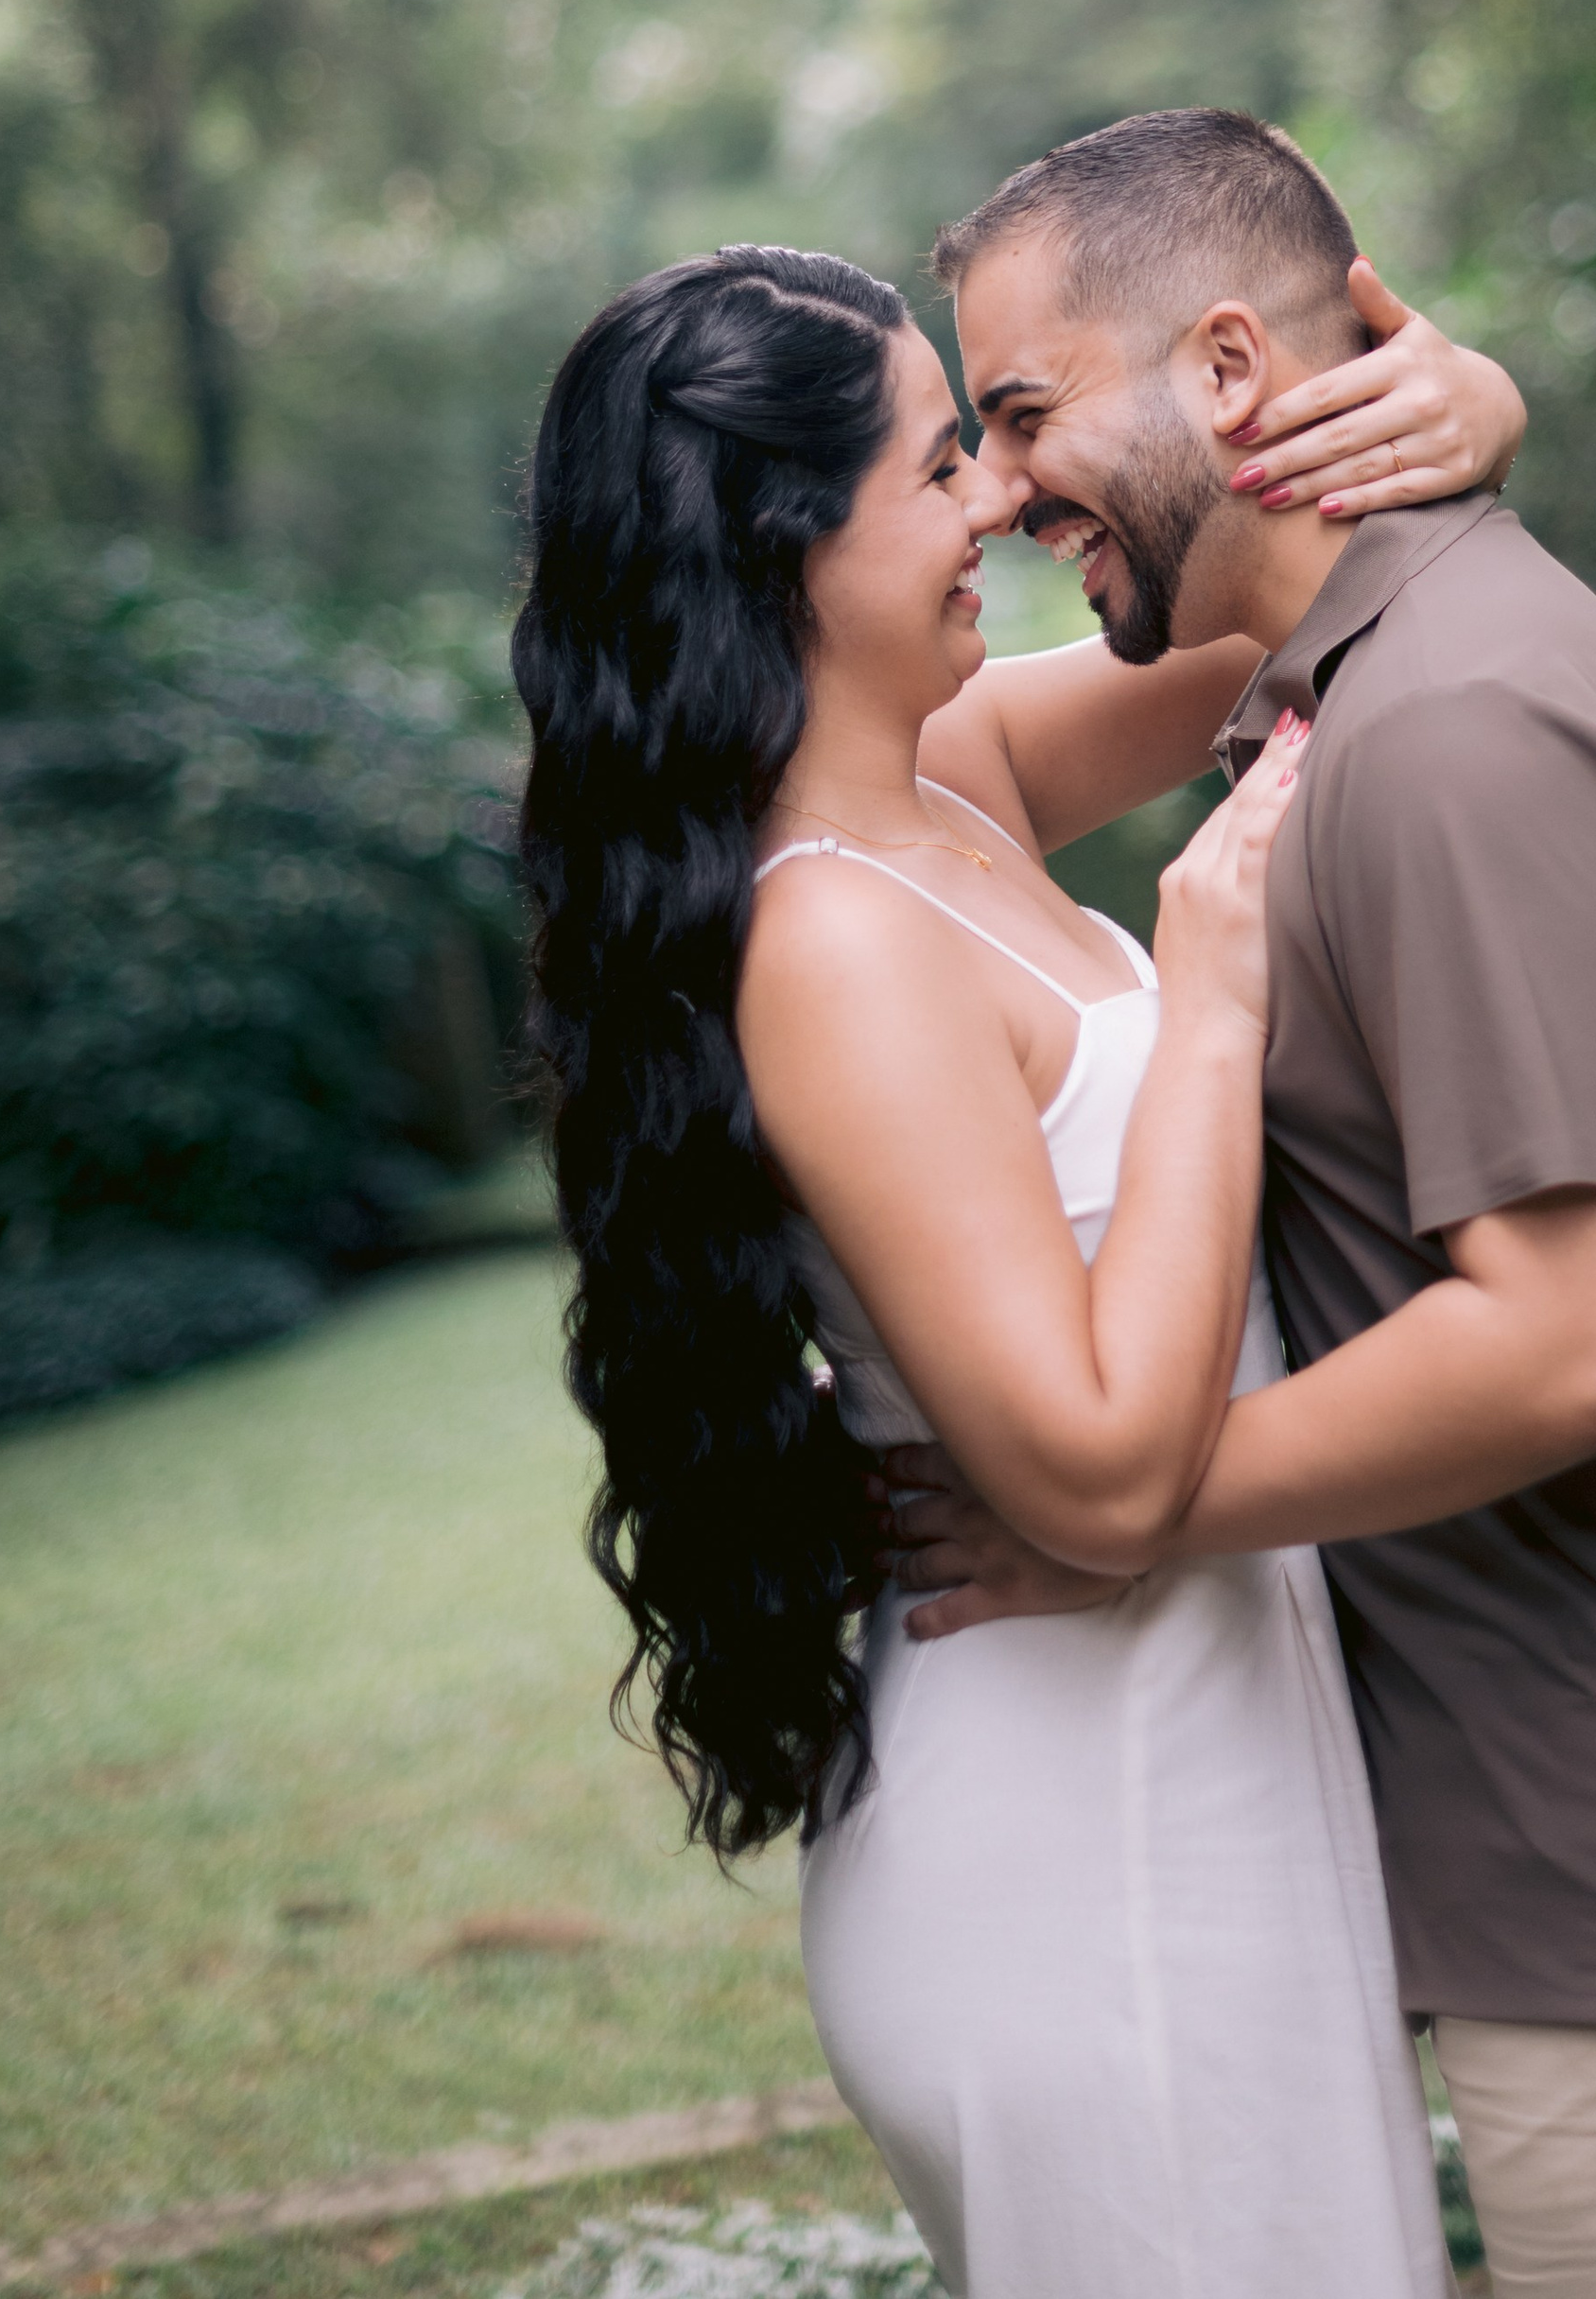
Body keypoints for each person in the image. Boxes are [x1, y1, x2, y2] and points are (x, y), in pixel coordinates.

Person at [887, 107, 1596, 2299]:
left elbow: (1576, 1336)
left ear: (1220, 373)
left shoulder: (1448, 727)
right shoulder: (1356, 679)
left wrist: (1114, 1507)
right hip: (1575, 1791)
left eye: (1014, 416)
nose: (996, 493)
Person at [511, 237, 1526, 2299]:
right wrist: (1215, 996)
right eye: (933, 465)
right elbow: (1091, 1472)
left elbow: (1275, 597)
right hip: (1086, 1847)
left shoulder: (934, 795)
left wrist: (1468, 411)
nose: (998, 498)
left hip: (1193, 1747)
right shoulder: (830, 940)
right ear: (778, 542)